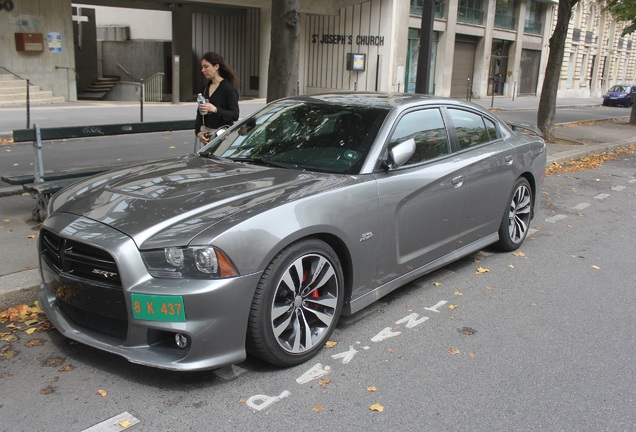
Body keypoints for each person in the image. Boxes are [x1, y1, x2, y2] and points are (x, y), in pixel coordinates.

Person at [195, 51, 240, 145]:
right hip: (207, 137)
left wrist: (215, 109)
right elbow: (200, 111)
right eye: (202, 67)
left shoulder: (228, 88)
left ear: (216, 66)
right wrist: (198, 132)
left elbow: (234, 115)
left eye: (206, 66)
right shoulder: (206, 88)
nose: (203, 70)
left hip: (223, 138)